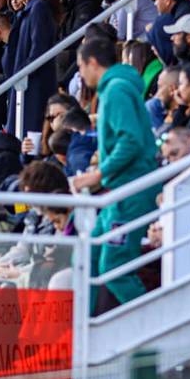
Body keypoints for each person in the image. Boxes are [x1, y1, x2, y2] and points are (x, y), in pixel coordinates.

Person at [69, 37, 159, 313]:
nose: (81, 75)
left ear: (92, 63)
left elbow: (130, 141)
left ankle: (152, 334)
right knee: (86, 257)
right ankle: (86, 331)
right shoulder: (116, 89)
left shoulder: (116, 91)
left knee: (115, 267)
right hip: (117, 192)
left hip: (130, 191)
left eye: (81, 67)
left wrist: (98, 175)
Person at [3, 0, 60, 140]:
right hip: (25, 81)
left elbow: (39, 49)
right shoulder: (30, 10)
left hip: (33, 84)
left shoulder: (39, 8)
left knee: (30, 134)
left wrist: (23, 73)